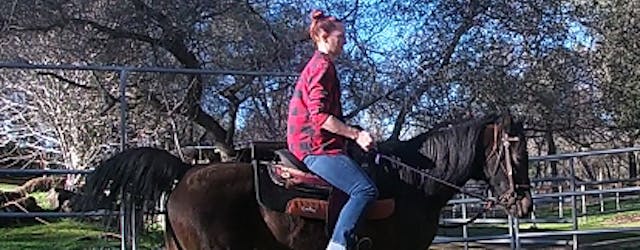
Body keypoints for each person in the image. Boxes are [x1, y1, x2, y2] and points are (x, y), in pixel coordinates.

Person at [286, 9, 378, 250]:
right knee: (364, 190)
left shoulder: (319, 65)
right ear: (324, 36)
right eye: (341, 36)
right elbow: (319, 117)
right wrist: (356, 135)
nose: (345, 40)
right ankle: (337, 246)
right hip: (315, 147)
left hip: (312, 143)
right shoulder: (322, 67)